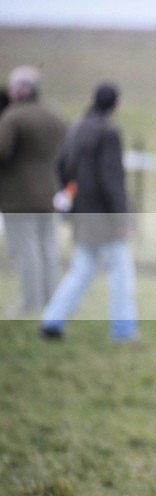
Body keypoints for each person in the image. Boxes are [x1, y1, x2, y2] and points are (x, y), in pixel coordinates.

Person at [40, 82, 138, 342]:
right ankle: (124, 331)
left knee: (81, 270)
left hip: (82, 212)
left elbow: (60, 166)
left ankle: (53, 320)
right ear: (116, 105)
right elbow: (112, 181)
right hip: (105, 217)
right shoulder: (108, 132)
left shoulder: (76, 127)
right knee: (121, 275)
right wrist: (123, 218)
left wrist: (70, 198)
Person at [0, 65, 67, 317]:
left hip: (18, 197)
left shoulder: (13, 117)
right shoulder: (54, 116)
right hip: (49, 191)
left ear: (19, 90)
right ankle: (52, 300)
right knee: (48, 249)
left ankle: (31, 303)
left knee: (26, 251)